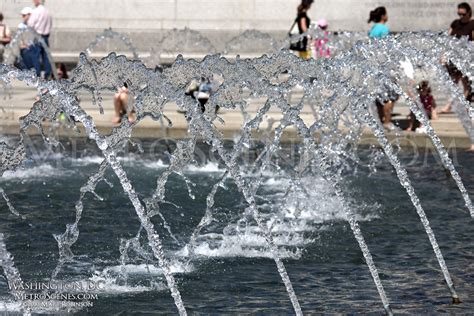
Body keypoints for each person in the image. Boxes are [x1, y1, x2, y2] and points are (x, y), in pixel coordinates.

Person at [28, 0, 52, 79]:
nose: (33, 1)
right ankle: (47, 74)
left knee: (35, 56)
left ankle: (37, 74)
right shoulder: (48, 12)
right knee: (46, 57)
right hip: (45, 37)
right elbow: (50, 25)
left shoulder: (36, 11)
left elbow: (30, 24)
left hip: (37, 36)